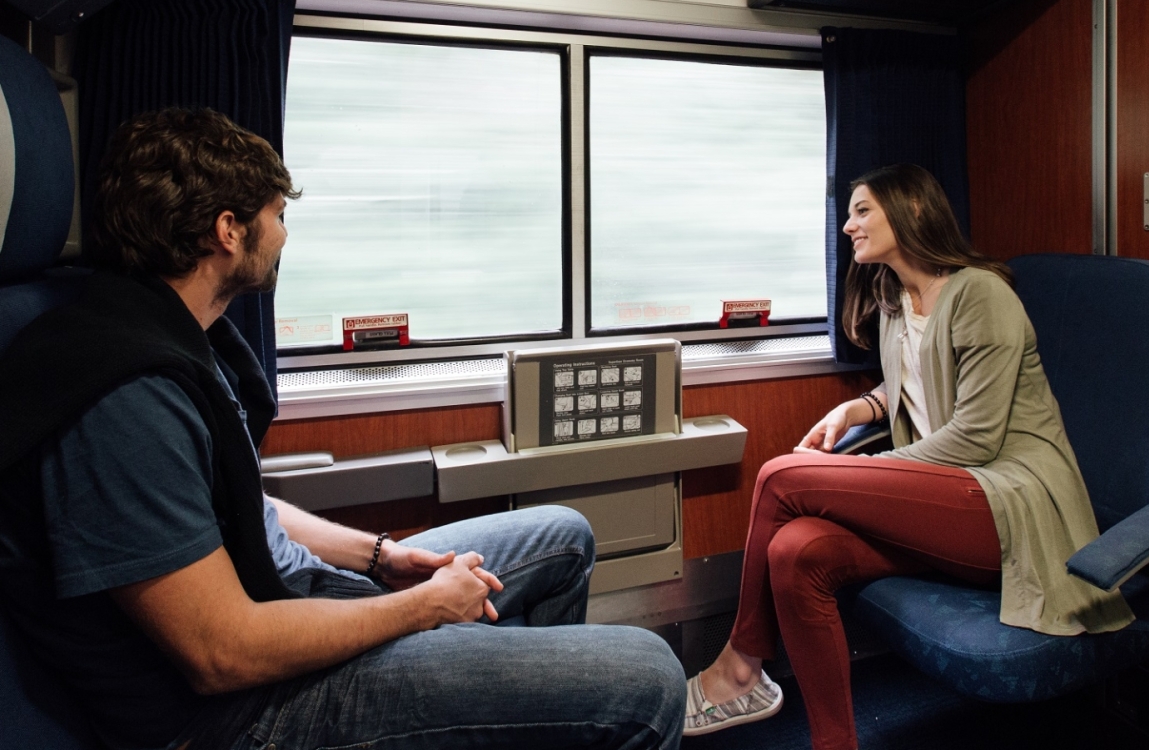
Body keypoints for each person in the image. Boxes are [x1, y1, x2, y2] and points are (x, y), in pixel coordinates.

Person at [0, 107, 685, 750]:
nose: (285, 235)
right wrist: (421, 607)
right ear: (228, 230)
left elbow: (241, 508)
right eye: (276, 215)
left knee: (562, 538)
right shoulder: (125, 395)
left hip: (286, 592)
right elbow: (222, 652)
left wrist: (383, 557)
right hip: (237, 712)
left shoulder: (173, 334)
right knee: (647, 677)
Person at [680, 164, 1134, 750]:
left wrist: (860, 477)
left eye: (862, 210)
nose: (847, 226)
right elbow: (916, 385)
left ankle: (740, 667)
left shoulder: (980, 293)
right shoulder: (896, 298)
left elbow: (975, 438)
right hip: (945, 505)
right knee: (795, 552)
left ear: (914, 211)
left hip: (1007, 501)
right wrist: (856, 410)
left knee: (780, 476)